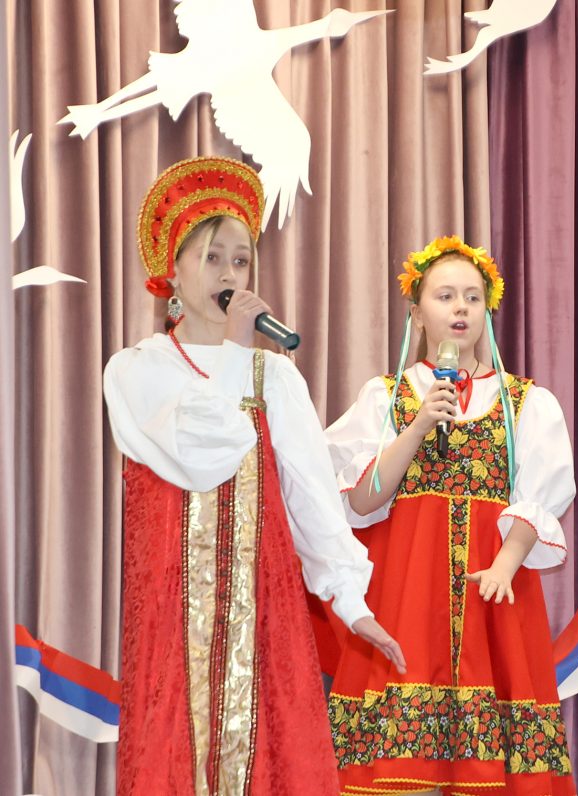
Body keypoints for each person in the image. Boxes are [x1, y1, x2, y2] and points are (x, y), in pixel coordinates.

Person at [103, 155, 405, 795]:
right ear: (172, 271)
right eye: (213, 257)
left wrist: (351, 603)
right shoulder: (135, 370)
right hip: (170, 619)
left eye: (241, 261)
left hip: (264, 613)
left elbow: (311, 499)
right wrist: (238, 350)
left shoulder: (277, 378)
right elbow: (199, 451)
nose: (229, 274)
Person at [322, 236, 576, 795]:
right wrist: (417, 426)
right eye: (445, 296)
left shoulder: (524, 403)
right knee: (400, 772)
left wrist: (507, 562)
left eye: (472, 297)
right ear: (416, 314)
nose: (461, 308)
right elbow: (361, 500)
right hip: (407, 599)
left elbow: (539, 494)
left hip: (492, 600)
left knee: (491, 769)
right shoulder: (386, 397)